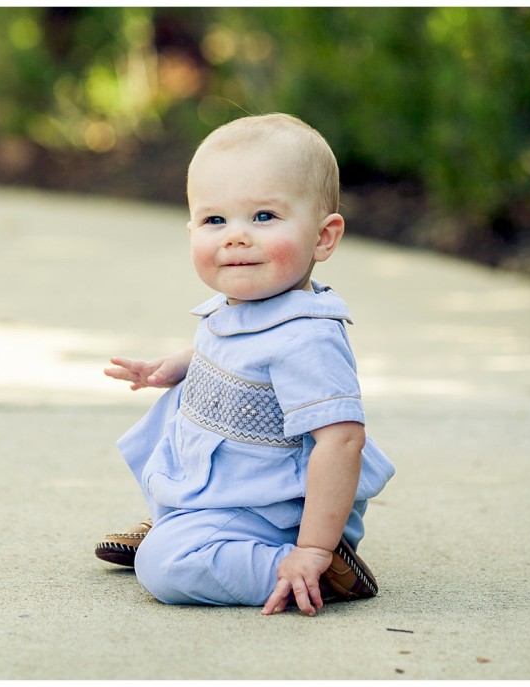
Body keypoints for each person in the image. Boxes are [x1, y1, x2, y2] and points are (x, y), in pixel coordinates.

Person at [95, 113, 395, 616]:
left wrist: (313, 547)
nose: (235, 237)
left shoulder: (308, 338)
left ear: (323, 237)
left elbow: (341, 440)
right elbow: (228, 350)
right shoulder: (241, 303)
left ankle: (306, 570)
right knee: (165, 425)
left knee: (163, 569)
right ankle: (183, 517)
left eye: (263, 217)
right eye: (216, 220)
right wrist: (175, 367)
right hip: (231, 476)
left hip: (272, 508)